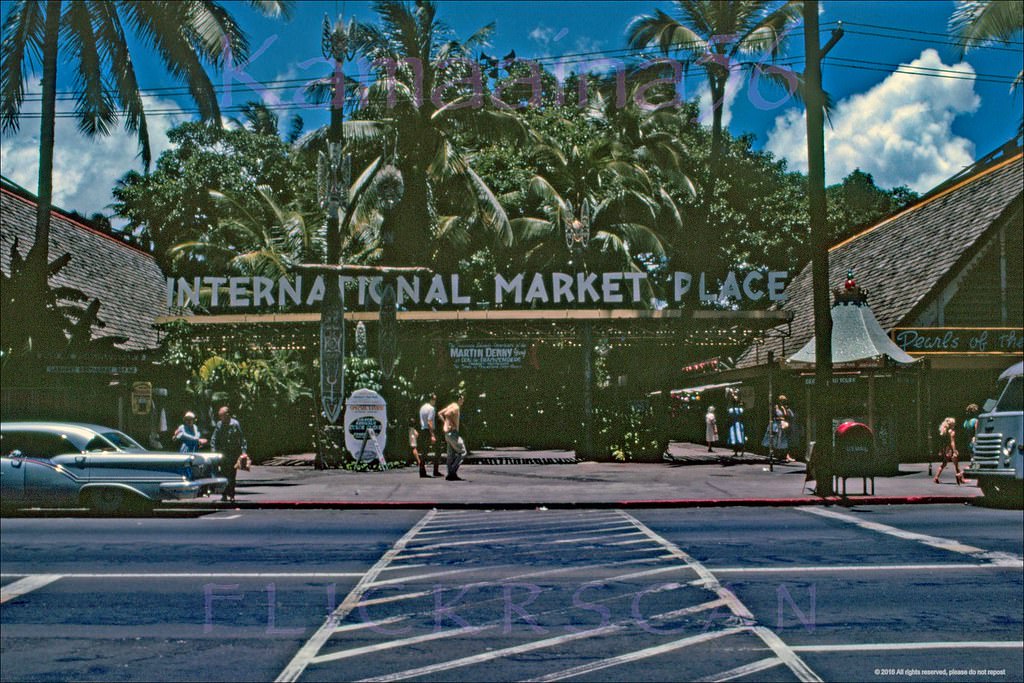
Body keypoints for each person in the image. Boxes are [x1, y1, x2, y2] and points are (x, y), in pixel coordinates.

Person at [211, 406, 248, 502]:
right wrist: (213, 450)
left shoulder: (235, 424)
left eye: (222, 415)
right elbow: (214, 438)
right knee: (223, 474)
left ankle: (231, 494)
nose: (221, 418)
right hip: (223, 453)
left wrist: (243, 452)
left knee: (232, 475)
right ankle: (224, 494)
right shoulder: (219, 424)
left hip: (233, 453)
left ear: (227, 415)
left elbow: (242, 438)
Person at [437, 394, 467, 481]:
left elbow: (440, 413)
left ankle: (450, 474)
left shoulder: (451, 405)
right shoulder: (456, 407)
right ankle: (452, 472)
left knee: (450, 455)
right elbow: (447, 414)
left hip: (447, 434)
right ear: (459, 399)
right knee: (463, 452)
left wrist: (446, 423)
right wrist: (452, 424)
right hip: (453, 433)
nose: (463, 401)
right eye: (462, 399)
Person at [763, 395, 795, 463]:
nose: (783, 402)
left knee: (783, 439)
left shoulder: (784, 407)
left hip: (783, 424)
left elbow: (787, 415)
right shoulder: (775, 407)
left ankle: (785, 455)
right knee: (774, 439)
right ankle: (772, 453)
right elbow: (773, 415)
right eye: (782, 400)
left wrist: (786, 409)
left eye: (784, 401)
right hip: (776, 424)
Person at [934, 416, 965, 485]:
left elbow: (941, 442)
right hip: (950, 450)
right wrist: (954, 451)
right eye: (954, 424)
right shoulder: (951, 432)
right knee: (956, 465)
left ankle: (936, 477)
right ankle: (961, 479)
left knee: (944, 464)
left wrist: (941, 450)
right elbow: (952, 442)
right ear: (951, 424)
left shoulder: (943, 431)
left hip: (945, 449)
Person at [418, 394, 440, 478]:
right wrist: (432, 435)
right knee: (437, 450)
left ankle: (422, 470)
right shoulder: (431, 409)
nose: (435, 401)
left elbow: (421, 421)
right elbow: (430, 422)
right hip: (429, 431)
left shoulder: (422, 408)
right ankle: (435, 470)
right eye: (434, 399)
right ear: (430, 400)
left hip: (423, 430)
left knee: (424, 452)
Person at [726, 390, 746, 457]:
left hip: (734, 424)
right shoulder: (740, 410)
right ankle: (741, 451)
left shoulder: (732, 410)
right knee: (740, 438)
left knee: (735, 438)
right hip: (738, 424)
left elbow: (729, 415)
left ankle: (737, 452)